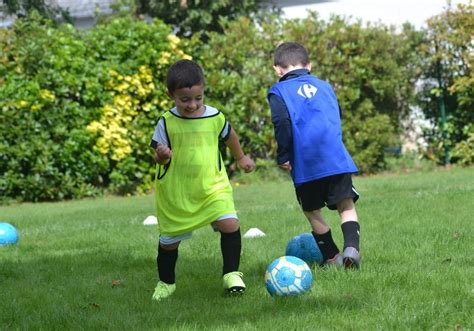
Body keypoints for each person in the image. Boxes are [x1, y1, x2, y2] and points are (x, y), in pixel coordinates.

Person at [150, 59, 256, 301]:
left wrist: (240, 158)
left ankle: (231, 274)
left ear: (203, 90)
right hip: (178, 193)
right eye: (185, 99)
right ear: (171, 95)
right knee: (169, 243)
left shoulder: (215, 117)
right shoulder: (166, 122)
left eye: (198, 97)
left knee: (230, 223)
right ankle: (166, 283)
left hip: (213, 186)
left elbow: (230, 137)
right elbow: (159, 155)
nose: (192, 104)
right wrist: (162, 156)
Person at [267, 42, 361, 269]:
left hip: (305, 162)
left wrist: (284, 155)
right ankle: (352, 249)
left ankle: (332, 257)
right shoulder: (325, 86)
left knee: (312, 210)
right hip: (336, 158)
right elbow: (335, 115)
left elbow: (281, 122)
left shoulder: (278, 91)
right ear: (309, 65)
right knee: (346, 205)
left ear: (277, 69)